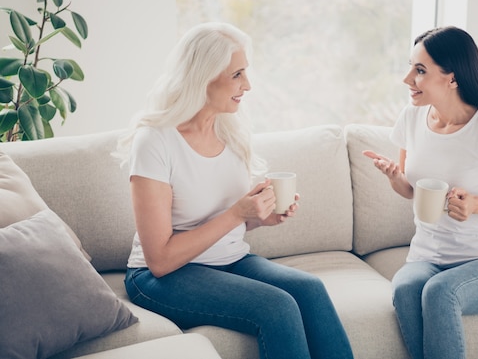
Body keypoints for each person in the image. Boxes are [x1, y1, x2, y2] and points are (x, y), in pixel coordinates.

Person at [115, 22, 353, 359]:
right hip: (161, 277)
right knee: (277, 307)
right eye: (237, 74)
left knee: (310, 289)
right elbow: (160, 260)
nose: (248, 85)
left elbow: (227, 222)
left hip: (229, 259)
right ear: (204, 76)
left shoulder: (229, 130)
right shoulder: (155, 141)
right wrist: (236, 214)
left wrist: (259, 218)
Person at [363, 26, 478, 359]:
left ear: (452, 78)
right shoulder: (411, 119)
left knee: (440, 293)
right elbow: (410, 191)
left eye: (420, 71)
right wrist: (393, 177)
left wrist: (476, 204)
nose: (406, 79)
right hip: (427, 255)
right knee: (405, 288)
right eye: (410, 67)